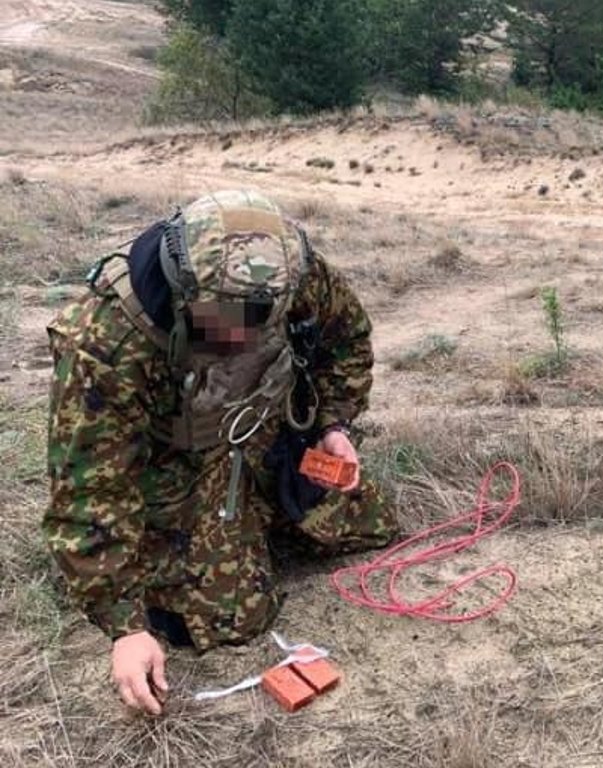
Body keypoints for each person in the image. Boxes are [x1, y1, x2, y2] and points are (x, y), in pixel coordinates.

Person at [44, 190, 397, 716]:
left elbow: (346, 339)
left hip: (265, 430)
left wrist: (333, 425)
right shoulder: (106, 342)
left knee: (371, 523)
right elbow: (91, 489)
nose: (244, 332)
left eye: (259, 317)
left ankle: (256, 516)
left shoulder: (285, 275)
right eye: (227, 316)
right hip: (174, 466)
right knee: (231, 618)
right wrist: (124, 627)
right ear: (185, 290)